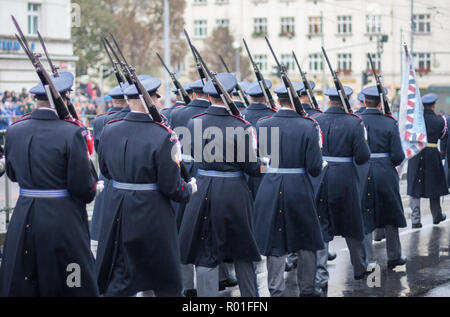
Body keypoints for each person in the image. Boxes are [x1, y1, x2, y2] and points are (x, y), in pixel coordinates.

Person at [0, 73, 100, 296]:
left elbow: (14, 175)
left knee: (25, 279)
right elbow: (83, 188)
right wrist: (93, 186)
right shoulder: (72, 132)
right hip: (62, 221)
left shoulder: (15, 130)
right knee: (72, 280)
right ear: (64, 99)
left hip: (24, 215)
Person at [95, 77, 197, 297]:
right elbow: (171, 186)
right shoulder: (163, 135)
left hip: (119, 208)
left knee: (121, 274)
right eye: (156, 98)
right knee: (163, 276)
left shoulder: (109, 129)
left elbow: (105, 170)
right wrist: (188, 189)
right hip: (153, 213)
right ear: (150, 100)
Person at [179, 73, 262, 297]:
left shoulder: (193, 122)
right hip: (234, 191)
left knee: (206, 251)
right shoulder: (242, 126)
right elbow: (252, 168)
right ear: (231, 95)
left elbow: (191, 154)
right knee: (243, 251)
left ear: (207, 96)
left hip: (204, 187)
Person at [254, 83, 324, 297]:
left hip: (271, 185)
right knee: (307, 240)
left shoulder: (262, 124)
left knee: (275, 241)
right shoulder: (308, 126)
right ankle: (307, 289)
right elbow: (313, 167)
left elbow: (259, 161)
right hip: (299, 187)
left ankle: (276, 290)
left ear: (278, 101)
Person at [314, 86, 371, 295]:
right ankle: (359, 267)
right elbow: (363, 156)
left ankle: (320, 276)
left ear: (329, 101)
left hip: (322, 176)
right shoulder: (355, 122)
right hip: (346, 178)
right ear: (346, 100)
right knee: (352, 224)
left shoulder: (317, 120)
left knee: (322, 225)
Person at [359, 86, 407, 270]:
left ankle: (368, 260)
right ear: (380, 103)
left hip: (364, 171)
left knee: (365, 216)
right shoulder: (389, 122)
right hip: (385, 172)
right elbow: (398, 156)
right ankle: (394, 256)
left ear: (365, 101)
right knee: (390, 215)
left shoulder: (358, 121)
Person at [90, 83, 130, 256]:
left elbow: (99, 151)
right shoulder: (130, 117)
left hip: (107, 174)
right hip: (127, 176)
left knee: (103, 225)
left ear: (112, 100)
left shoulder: (100, 120)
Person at [407, 93, 448, 228]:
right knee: (434, 186)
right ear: (434, 105)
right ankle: (436, 215)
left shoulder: (415, 121)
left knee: (414, 187)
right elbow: (442, 136)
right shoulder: (440, 120)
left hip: (416, 153)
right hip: (432, 153)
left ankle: (415, 219)